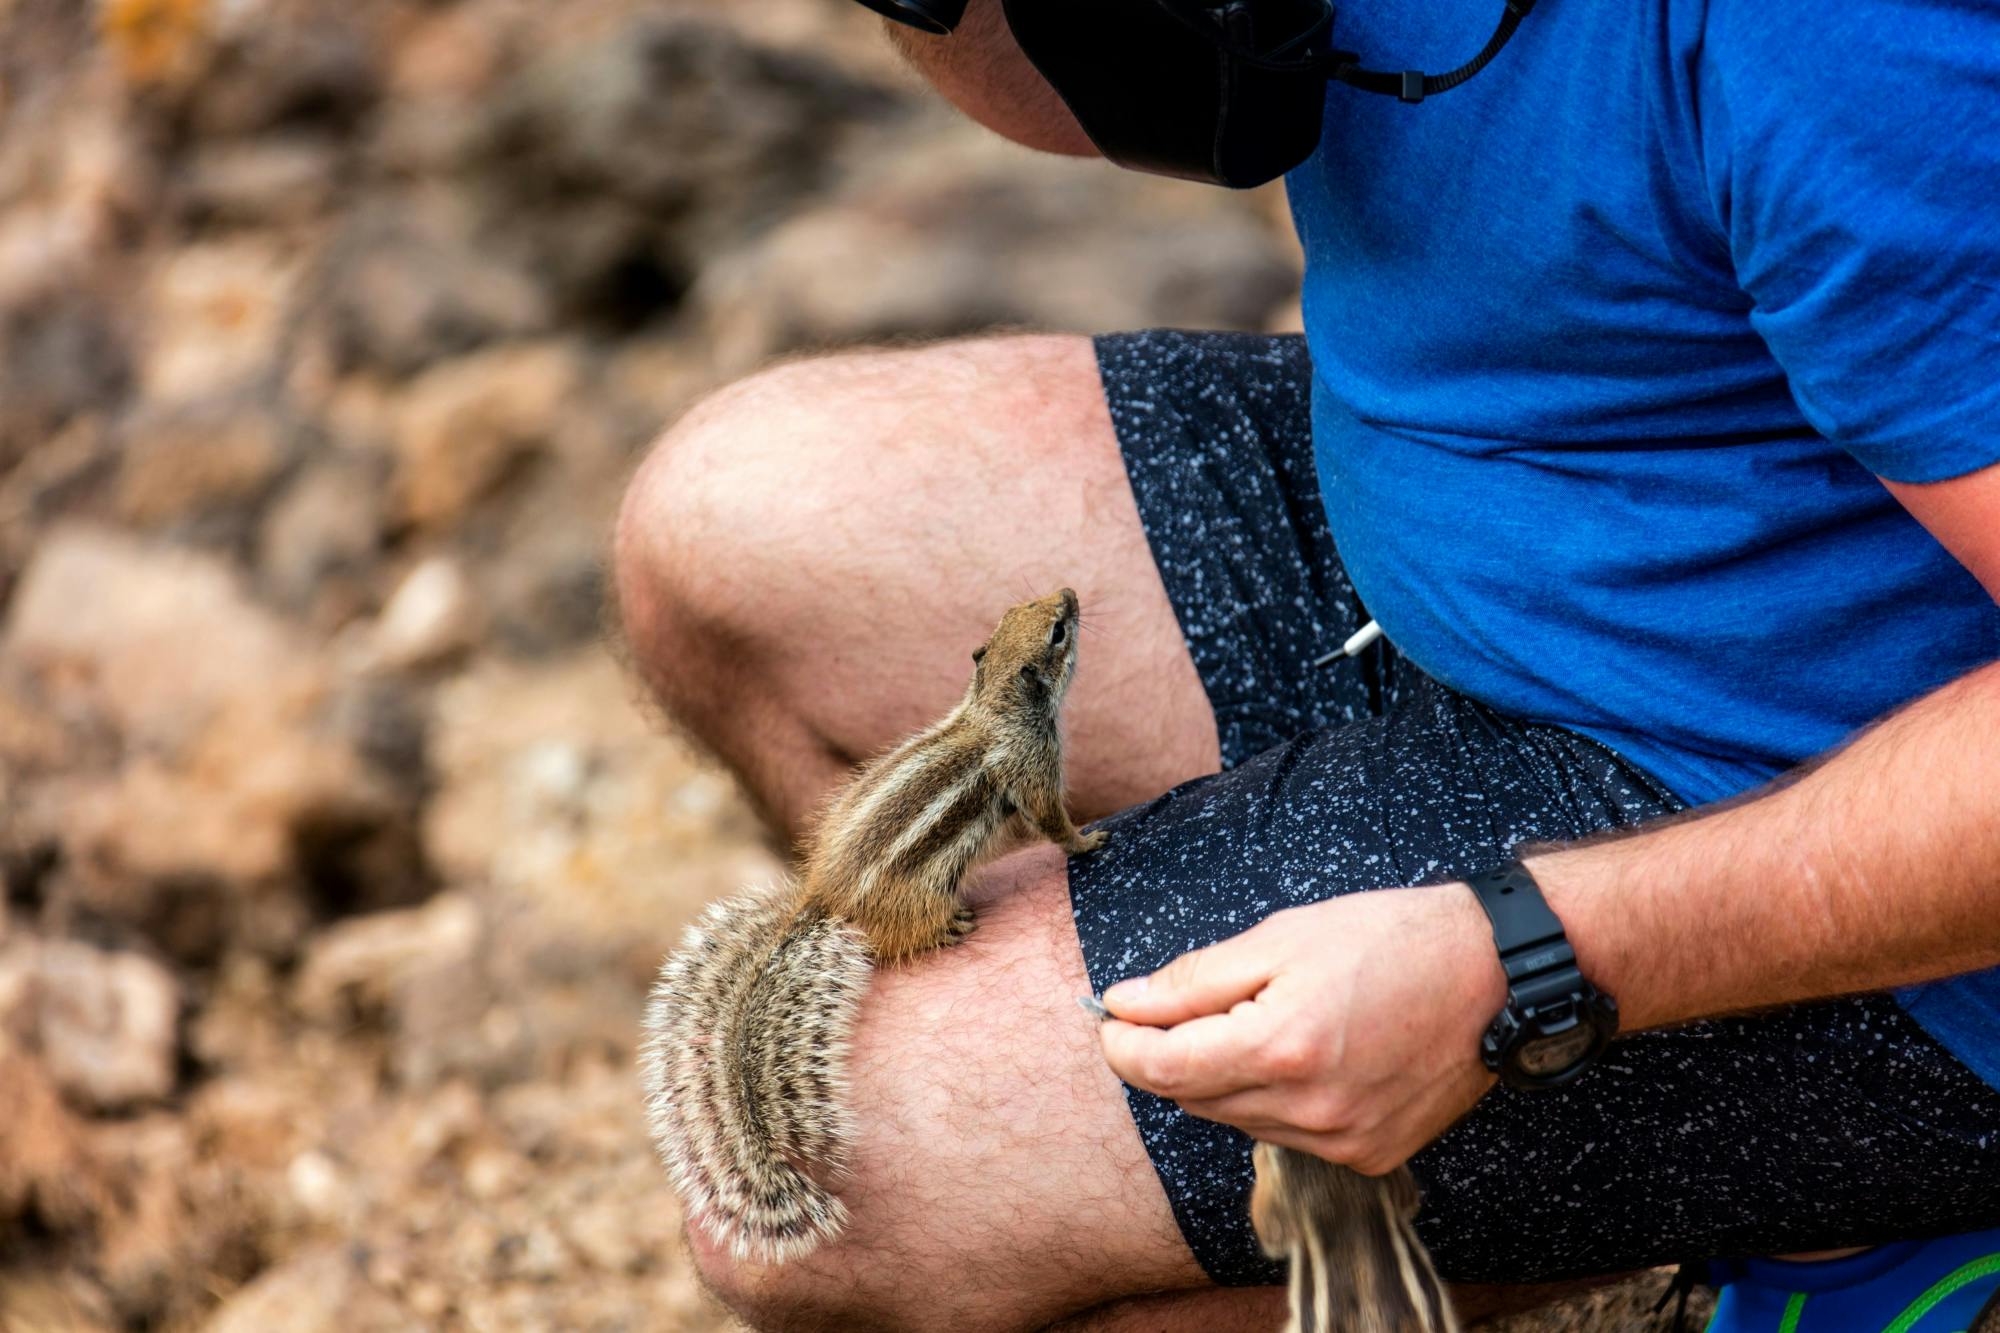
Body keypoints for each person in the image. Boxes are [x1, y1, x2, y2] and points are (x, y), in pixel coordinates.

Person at [611, 0, 2000, 1328]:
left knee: (862, 1198)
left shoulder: (1843, 48)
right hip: (1508, 540)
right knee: (730, 519)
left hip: (1802, 789)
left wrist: (1527, 954)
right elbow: (1070, 84)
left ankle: (1861, 1186)